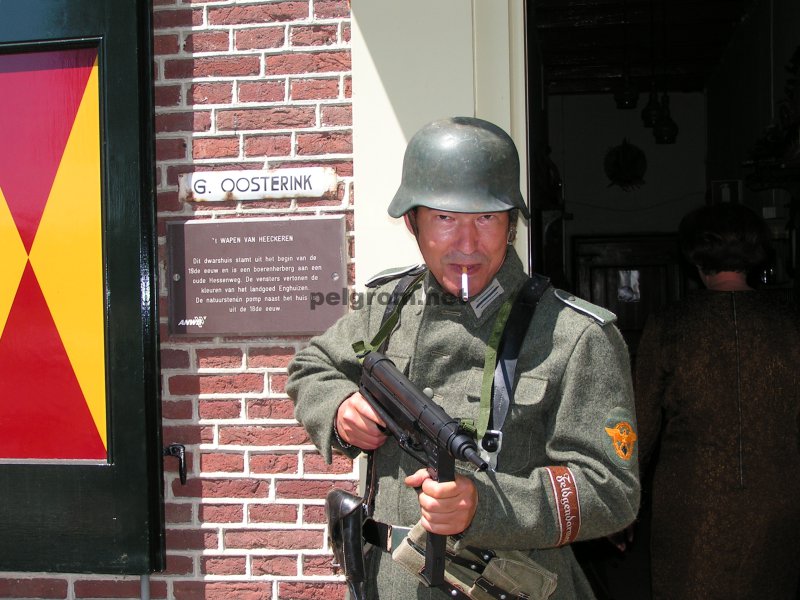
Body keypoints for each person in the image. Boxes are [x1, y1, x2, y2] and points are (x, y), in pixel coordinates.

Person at [287, 116, 640, 599]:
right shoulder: (389, 306)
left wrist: (486, 506)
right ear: (412, 222)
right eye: (445, 219)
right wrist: (339, 409)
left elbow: (612, 491)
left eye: (486, 218)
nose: (468, 244)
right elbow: (310, 366)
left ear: (510, 225)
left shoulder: (575, 335)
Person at [635, 202, 800, 599]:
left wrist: (621, 500)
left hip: (692, 498)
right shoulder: (791, 324)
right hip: (779, 494)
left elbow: (638, 424)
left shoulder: (670, 324)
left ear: (695, 256)